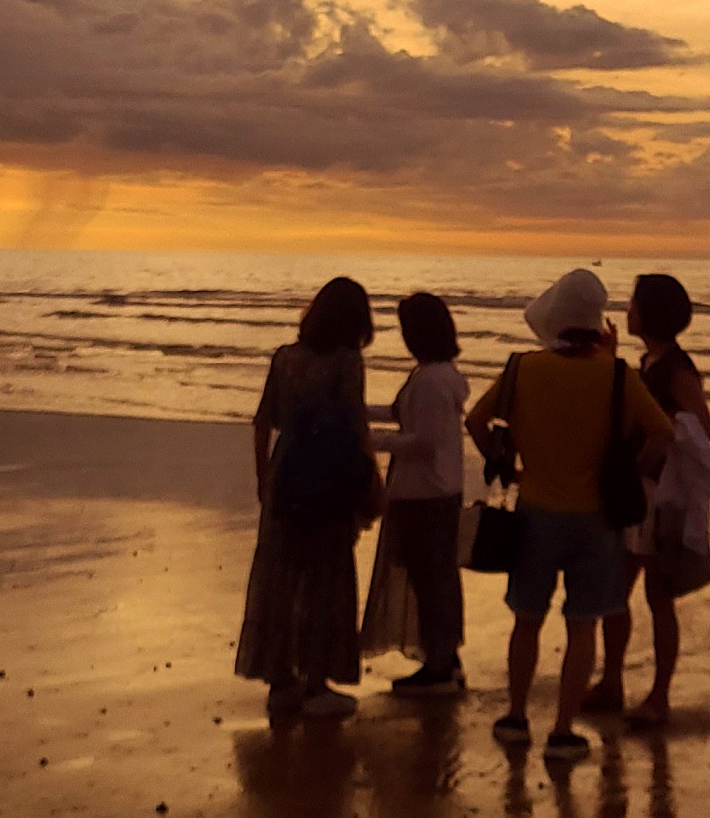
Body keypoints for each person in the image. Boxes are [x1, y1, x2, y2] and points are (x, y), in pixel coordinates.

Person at [465, 268, 672, 760]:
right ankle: (562, 729)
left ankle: (516, 717)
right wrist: (626, 468)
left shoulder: (523, 368)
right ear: (596, 324)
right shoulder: (619, 376)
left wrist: (510, 469)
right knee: (582, 626)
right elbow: (664, 433)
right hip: (596, 518)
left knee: (527, 620)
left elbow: (475, 420)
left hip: (536, 511)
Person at [235, 276, 380, 722]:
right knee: (326, 577)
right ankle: (317, 683)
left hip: (286, 475)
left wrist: (264, 478)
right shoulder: (346, 361)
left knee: (280, 577)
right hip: (328, 478)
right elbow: (355, 426)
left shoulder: (285, 358)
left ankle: (281, 680)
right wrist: (371, 480)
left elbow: (263, 421)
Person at [587, 273, 710, 727]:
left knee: (657, 595)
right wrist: (611, 359)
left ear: (650, 312)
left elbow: (701, 427)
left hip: (659, 497)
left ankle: (659, 695)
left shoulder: (678, 371)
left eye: (634, 303)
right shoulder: (652, 363)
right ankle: (612, 681)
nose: (628, 309)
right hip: (640, 493)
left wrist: (649, 455)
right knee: (615, 588)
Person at [363, 291, 470, 696]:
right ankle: (443, 656)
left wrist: (370, 441)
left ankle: (439, 662)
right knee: (436, 577)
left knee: (429, 579)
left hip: (424, 492)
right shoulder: (437, 375)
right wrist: (362, 413)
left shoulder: (430, 381)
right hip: (437, 489)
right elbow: (402, 415)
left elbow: (423, 441)